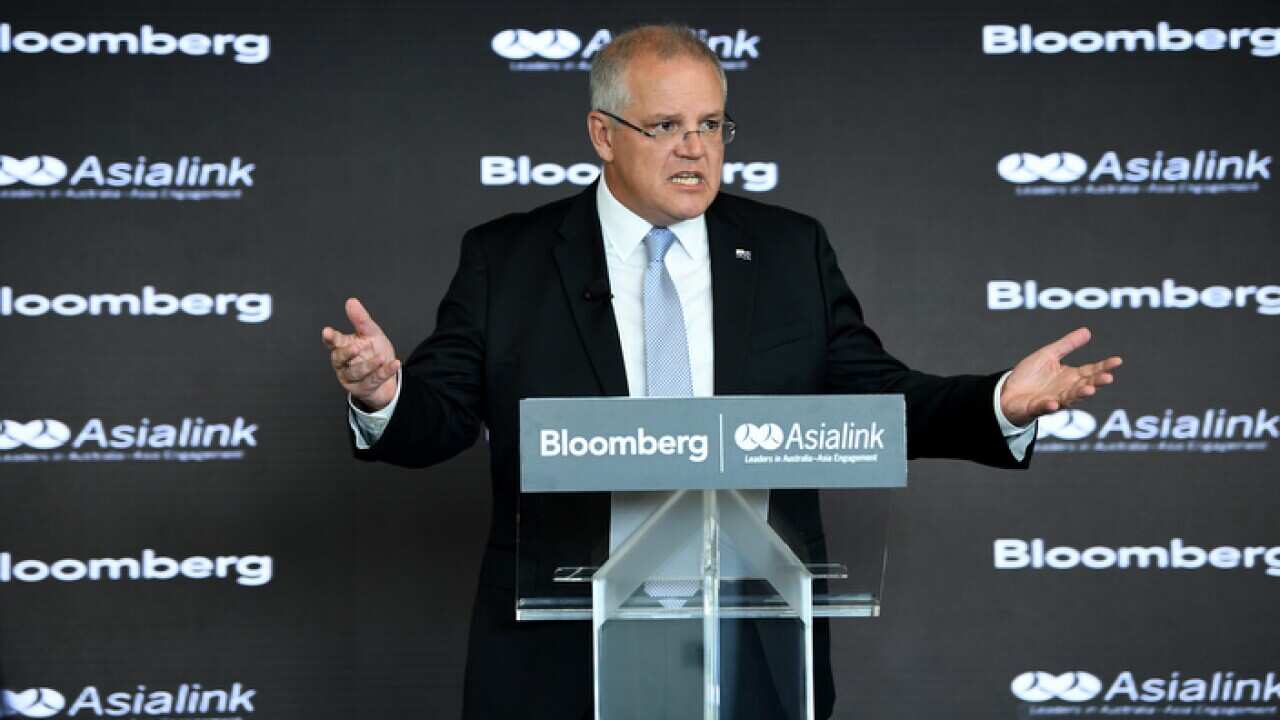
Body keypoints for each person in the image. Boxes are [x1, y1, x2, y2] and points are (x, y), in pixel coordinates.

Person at [321, 24, 1121, 720]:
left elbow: (873, 397)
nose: (696, 148)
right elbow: (443, 416)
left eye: (711, 124)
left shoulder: (788, 249)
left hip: (754, 648)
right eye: (665, 124)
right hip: (558, 655)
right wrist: (383, 393)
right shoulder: (509, 258)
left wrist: (997, 404)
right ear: (603, 134)